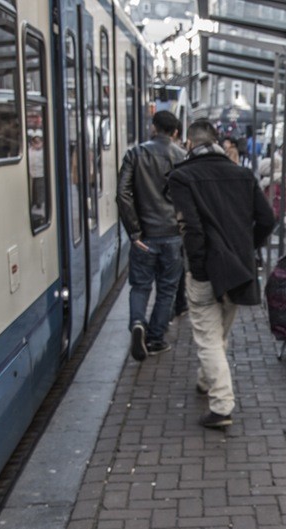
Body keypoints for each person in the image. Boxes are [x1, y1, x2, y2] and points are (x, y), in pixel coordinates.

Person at [167, 120, 275, 429]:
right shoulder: (242, 175)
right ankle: (205, 380)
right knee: (220, 333)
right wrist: (246, 246)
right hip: (238, 269)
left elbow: (191, 228)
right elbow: (267, 219)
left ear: (190, 144)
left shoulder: (182, 177)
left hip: (204, 271)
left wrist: (199, 267)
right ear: (218, 142)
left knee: (208, 338)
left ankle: (221, 404)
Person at [117, 110, 187, 361]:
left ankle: (137, 322)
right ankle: (156, 339)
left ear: (154, 127)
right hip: (173, 235)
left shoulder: (135, 154)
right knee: (168, 288)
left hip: (144, 236)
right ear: (176, 132)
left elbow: (123, 194)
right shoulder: (183, 157)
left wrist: (134, 230)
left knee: (140, 285)